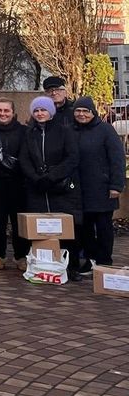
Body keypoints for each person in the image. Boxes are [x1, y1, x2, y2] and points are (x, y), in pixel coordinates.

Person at [20, 96, 81, 279]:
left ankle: (72, 266)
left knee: (68, 229)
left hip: (61, 188)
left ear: (51, 112)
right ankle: (46, 265)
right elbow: (24, 159)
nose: (40, 113)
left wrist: (52, 177)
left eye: (43, 110)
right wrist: (36, 178)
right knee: (42, 231)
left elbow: (72, 158)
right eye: (36, 110)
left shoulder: (64, 131)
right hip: (38, 189)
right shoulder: (30, 133)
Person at [73, 96, 124, 274]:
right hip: (81, 190)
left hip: (103, 189)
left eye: (85, 111)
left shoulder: (105, 130)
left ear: (92, 112)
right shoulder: (72, 131)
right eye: (78, 111)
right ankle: (90, 259)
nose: (81, 114)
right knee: (85, 228)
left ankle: (104, 261)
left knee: (103, 228)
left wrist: (116, 185)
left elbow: (117, 159)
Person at [0, 98, 30, 270]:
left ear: (13, 112)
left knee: (19, 221)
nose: (2, 114)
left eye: (6, 110)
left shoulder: (23, 130)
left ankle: (21, 255)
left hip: (18, 182)